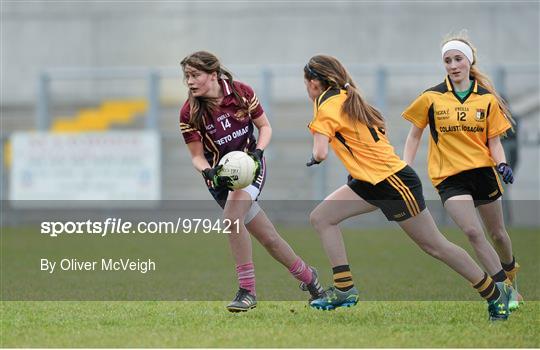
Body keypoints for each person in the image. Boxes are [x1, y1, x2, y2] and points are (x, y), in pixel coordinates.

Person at [303, 54, 512, 321]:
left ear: (313, 84)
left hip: (393, 184)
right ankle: (344, 289)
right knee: (322, 217)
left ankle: (495, 295)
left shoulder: (328, 106)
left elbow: (320, 153)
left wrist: (315, 155)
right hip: (369, 181)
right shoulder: (345, 97)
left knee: (436, 246)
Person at [179, 51, 324, 312]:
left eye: (195, 75)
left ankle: (247, 291)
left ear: (212, 75)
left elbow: (265, 127)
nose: (189, 81)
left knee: (231, 219)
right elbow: (197, 157)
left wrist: (258, 152)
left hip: (250, 167)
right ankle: (310, 279)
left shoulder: (241, 92)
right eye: (186, 76)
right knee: (269, 238)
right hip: (220, 181)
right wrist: (209, 172)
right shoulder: (189, 112)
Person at [401, 33, 522, 310]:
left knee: (498, 235)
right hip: (449, 177)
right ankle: (505, 291)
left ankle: (511, 273)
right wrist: (404, 168)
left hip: (482, 173)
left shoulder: (487, 99)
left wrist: (501, 164)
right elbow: (414, 136)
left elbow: (494, 142)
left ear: (469, 61)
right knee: (472, 232)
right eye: (447, 60)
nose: (453, 65)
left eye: (458, 59)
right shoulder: (431, 97)